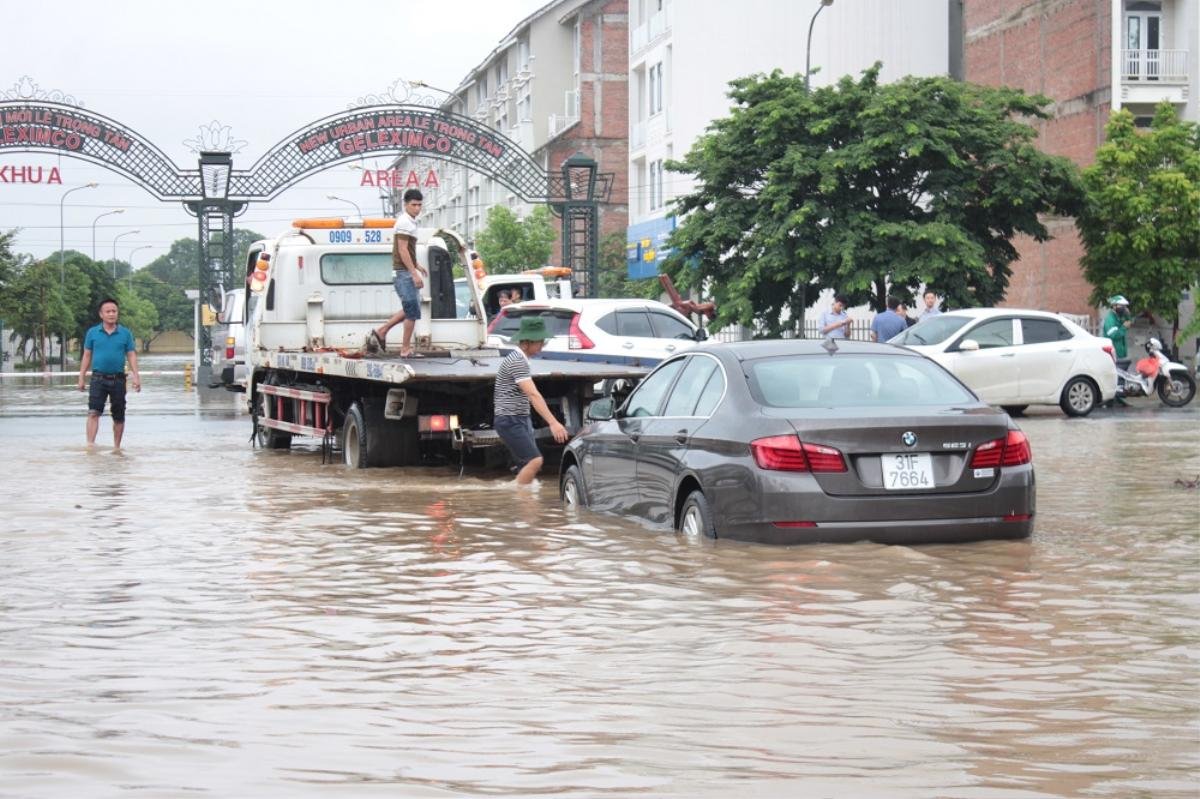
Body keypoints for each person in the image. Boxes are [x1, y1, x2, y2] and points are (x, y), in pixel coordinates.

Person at [493, 316, 569, 486]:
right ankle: (511, 494)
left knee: (527, 467)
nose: (542, 345)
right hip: (510, 419)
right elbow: (533, 394)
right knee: (535, 461)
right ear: (526, 342)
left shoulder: (521, 360)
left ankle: (523, 506)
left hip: (519, 418)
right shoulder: (517, 361)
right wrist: (553, 423)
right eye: (539, 341)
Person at [368, 188, 427, 358]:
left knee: (411, 309)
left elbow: (406, 249)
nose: (417, 208)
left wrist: (417, 265)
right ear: (406, 205)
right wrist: (413, 273)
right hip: (403, 273)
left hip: (405, 271)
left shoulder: (410, 222)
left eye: (419, 205)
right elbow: (402, 250)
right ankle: (405, 349)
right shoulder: (405, 222)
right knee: (412, 311)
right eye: (413, 205)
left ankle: (381, 331)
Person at [77, 297, 141, 448]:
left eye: (114, 311)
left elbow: (131, 354)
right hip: (98, 379)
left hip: (118, 380)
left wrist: (136, 377)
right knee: (93, 413)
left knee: (119, 416)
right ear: (101, 314)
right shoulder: (92, 333)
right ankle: (90, 446)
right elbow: (87, 355)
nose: (111, 314)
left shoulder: (125, 333)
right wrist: (81, 377)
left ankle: (117, 448)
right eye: (108, 311)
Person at [1102, 295, 1132, 367]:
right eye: (1122, 306)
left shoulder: (1118, 317)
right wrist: (1124, 327)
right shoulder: (1110, 319)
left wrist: (1128, 315)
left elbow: (1128, 322)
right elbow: (1114, 335)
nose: (1124, 308)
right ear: (1114, 306)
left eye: (1124, 306)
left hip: (1120, 354)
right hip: (1113, 354)